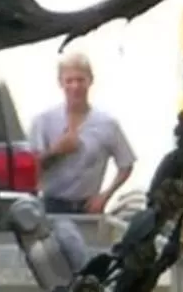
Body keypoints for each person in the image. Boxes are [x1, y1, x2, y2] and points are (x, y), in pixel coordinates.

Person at [27, 50, 135, 217]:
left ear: (90, 81)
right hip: (51, 206)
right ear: (60, 83)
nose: (75, 86)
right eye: (69, 80)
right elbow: (29, 169)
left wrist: (104, 196)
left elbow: (126, 164)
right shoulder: (43, 121)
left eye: (80, 80)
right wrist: (56, 151)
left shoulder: (107, 123)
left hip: (88, 208)